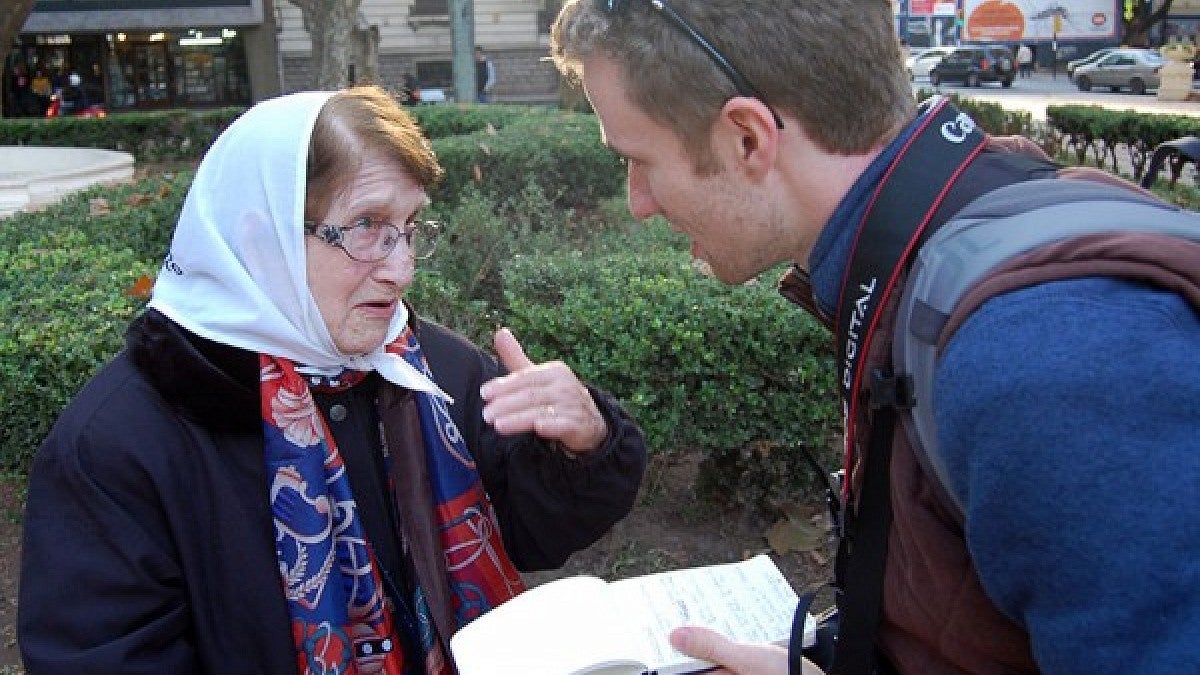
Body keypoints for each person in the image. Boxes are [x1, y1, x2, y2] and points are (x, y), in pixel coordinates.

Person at [550, 1, 1200, 674]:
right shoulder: (938, 244)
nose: (637, 202)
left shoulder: (1047, 354)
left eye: (636, 158)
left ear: (746, 137)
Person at [18, 85, 648, 673]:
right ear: (259, 238)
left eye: (409, 229)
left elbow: (532, 528)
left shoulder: (422, 361)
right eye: (367, 228)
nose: (400, 269)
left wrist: (584, 443)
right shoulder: (117, 446)